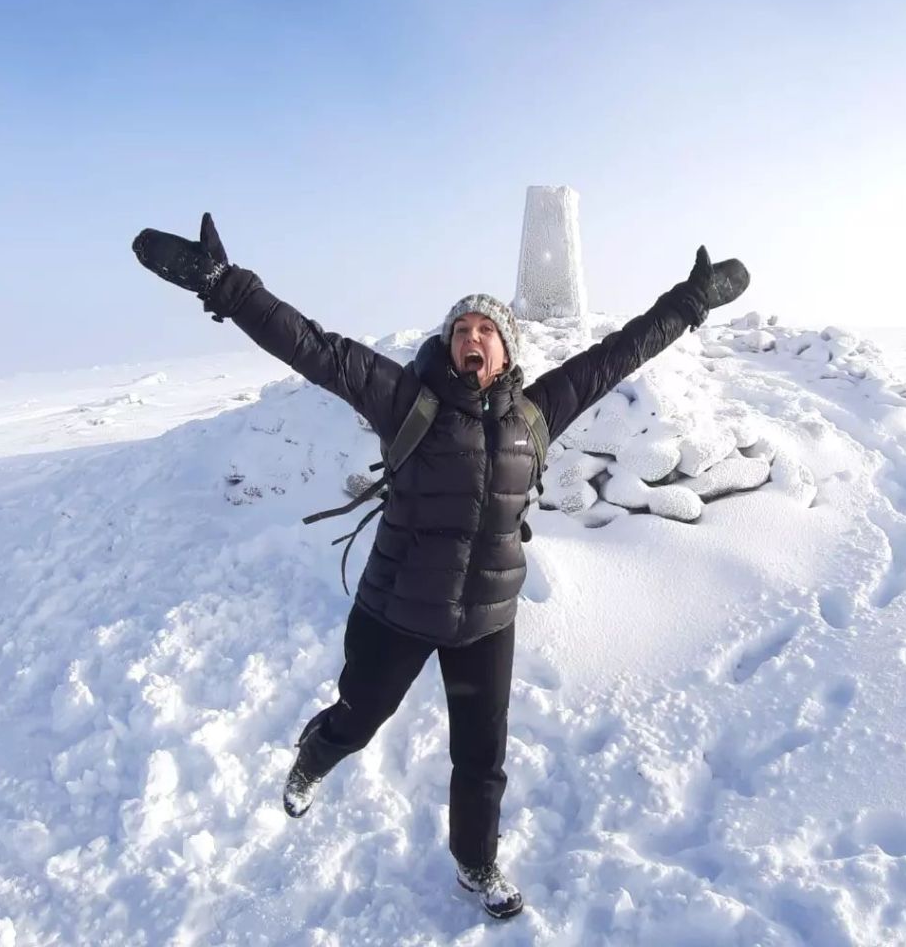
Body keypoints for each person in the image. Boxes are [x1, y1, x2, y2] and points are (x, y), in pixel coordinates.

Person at [131, 213, 714, 920]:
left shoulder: (536, 413)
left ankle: (475, 866)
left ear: (505, 350)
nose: (471, 338)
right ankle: (317, 753)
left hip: (487, 619)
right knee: (360, 714)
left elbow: (616, 357)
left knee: (481, 760)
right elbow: (314, 348)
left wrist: (688, 304)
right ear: (448, 344)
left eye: (485, 330)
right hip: (397, 607)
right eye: (460, 330)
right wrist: (228, 287)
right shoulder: (406, 399)